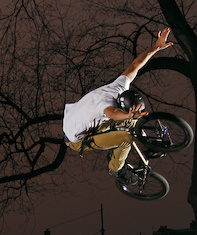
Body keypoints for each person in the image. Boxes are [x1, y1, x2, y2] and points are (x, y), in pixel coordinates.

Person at [62, 28, 174, 183]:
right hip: (77, 139)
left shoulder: (119, 87)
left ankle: (147, 148)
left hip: (79, 119)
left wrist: (156, 47)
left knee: (131, 121)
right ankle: (116, 168)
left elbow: (135, 65)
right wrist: (128, 116)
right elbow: (114, 114)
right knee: (126, 138)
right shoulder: (106, 106)